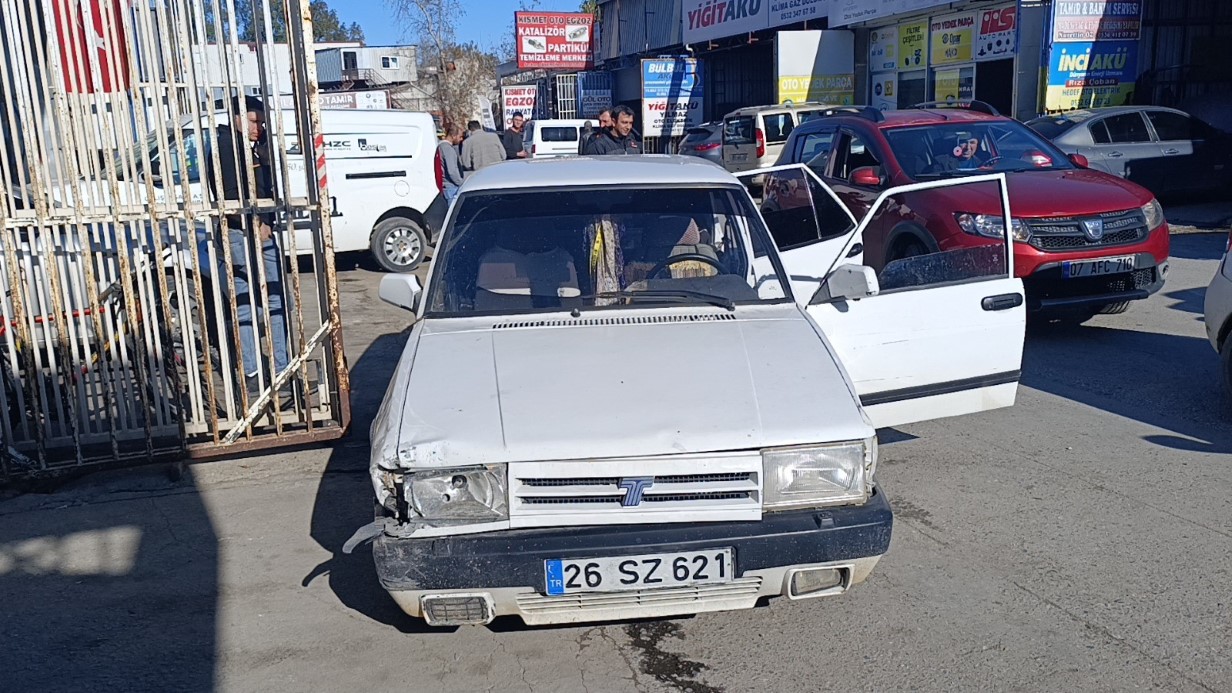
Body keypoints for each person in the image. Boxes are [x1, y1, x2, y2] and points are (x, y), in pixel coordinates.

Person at [206, 95, 291, 405]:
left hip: (251, 229)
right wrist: (259, 221)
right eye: (255, 121)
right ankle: (269, 373)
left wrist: (264, 145)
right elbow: (231, 196)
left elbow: (268, 185)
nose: (260, 127)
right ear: (238, 117)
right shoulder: (226, 145)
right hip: (242, 232)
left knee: (267, 301)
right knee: (262, 302)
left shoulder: (249, 146)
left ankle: (271, 371)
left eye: (262, 123)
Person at [437, 124, 465, 202]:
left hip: (448, 187)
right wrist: (462, 183)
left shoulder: (441, 147)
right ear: (453, 136)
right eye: (460, 137)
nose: (461, 139)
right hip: (451, 187)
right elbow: (452, 171)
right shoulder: (447, 149)